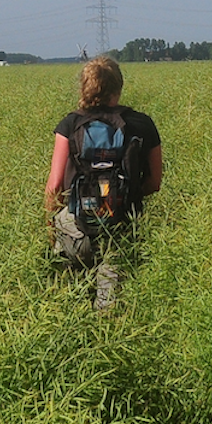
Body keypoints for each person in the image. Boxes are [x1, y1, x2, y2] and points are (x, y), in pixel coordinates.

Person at [45, 56, 163, 310]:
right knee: (110, 312)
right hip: (120, 227)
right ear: (118, 89)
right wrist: (126, 198)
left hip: (75, 228)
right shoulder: (142, 124)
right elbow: (154, 182)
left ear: (84, 87)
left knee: (68, 303)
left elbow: (54, 186)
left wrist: (51, 227)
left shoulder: (70, 124)